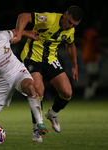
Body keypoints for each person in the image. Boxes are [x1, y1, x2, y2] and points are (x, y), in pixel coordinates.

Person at [14, 5, 83, 142]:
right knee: (39, 91)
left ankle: (52, 114)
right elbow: (24, 16)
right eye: (69, 22)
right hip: (31, 57)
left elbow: (70, 45)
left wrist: (75, 65)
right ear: (64, 15)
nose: (70, 26)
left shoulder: (70, 30)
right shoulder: (48, 19)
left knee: (67, 93)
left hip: (50, 59)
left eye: (74, 25)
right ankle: (36, 129)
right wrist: (19, 33)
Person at [0, 22, 48, 142]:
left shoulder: (2, 36)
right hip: (0, 83)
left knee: (31, 88)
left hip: (17, 72)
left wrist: (27, 33)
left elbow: (16, 31)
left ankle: (39, 124)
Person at [81, 20, 108, 100]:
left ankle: (89, 94)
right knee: (93, 77)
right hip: (92, 58)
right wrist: (105, 53)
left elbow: (82, 45)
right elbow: (96, 47)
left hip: (88, 57)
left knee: (94, 77)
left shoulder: (87, 32)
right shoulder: (93, 34)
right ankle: (88, 95)